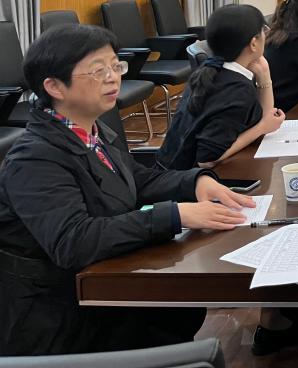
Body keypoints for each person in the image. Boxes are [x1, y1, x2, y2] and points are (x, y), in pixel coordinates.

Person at [0, 24, 253, 356]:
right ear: (54, 86)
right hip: (61, 315)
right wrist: (174, 215)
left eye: (115, 65)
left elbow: (138, 180)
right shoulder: (33, 159)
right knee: (175, 312)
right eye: (98, 70)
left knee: (181, 309)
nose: (113, 77)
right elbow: (74, 241)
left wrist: (195, 182)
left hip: (103, 283)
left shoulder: (91, 131)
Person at [158, 4, 284, 170]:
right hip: (184, 179)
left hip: (170, 169)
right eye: (263, 30)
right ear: (253, 43)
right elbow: (207, 158)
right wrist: (261, 128)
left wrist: (264, 75)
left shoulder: (210, 69)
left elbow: (265, 118)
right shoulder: (236, 89)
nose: (265, 35)